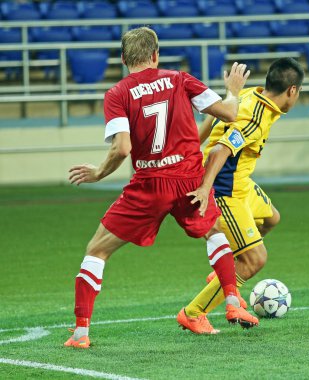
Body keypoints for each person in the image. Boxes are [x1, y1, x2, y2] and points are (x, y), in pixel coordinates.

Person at [63, 27, 258, 348]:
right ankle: (233, 300)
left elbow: (122, 148)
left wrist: (98, 172)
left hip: (149, 185)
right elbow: (230, 113)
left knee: (97, 250)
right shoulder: (181, 79)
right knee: (214, 231)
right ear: (156, 55)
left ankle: (81, 332)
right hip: (189, 180)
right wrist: (234, 89)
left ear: (124, 59)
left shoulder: (118, 94)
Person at [176, 57, 304, 334]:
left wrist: (193, 144)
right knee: (255, 259)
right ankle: (194, 313)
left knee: (271, 219)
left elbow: (217, 114)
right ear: (292, 90)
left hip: (242, 184)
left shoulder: (251, 93)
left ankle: (227, 271)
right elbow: (220, 150)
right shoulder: (255, 118)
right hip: (225, 191)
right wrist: (204, 188)